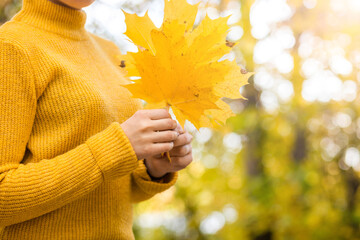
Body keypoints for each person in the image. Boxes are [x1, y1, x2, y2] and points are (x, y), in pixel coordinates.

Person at [0, 0, 193, 239]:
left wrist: (153, 168)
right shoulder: (11, 46)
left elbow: (110, 191)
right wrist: (115, 148)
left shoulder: (110, 52)